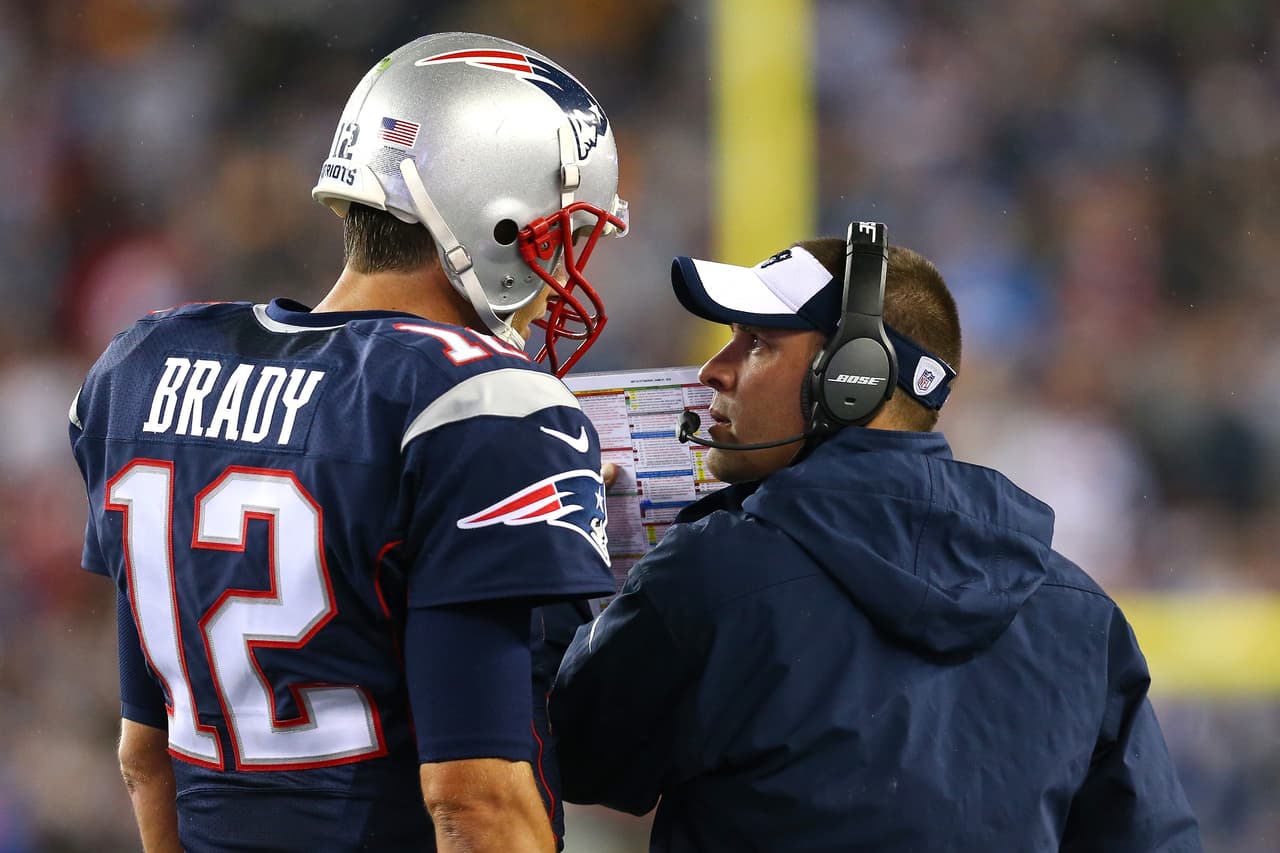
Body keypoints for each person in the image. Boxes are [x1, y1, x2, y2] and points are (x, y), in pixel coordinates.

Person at [68, 32, 628, 853]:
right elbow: (474, 801)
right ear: (498, 222)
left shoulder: (140, 367)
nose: (561, 278)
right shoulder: (475, 402)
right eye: (557, 237)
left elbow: (148, 756)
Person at [550, 224, 1202, 852]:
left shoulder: (711, 575)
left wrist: (568, 556)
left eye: (755, 343)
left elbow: (572, 754)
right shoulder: (1083, 615)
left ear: (853, 374)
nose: (713, 371)